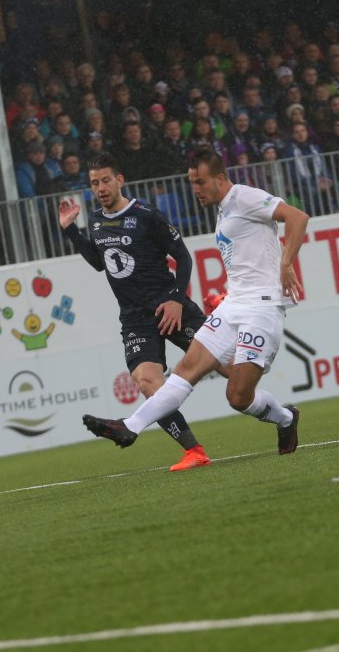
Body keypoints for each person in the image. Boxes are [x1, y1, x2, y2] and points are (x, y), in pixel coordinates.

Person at [82, 148, 309, 457]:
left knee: (238, 397)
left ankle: (286, 418)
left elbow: (297, 217)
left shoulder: (245, 197)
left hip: (262, 309)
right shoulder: (225, 209)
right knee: (186, 369)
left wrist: (286, 263)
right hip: (234, 305)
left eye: (200, 182)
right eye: (192, 183)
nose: (195, 189)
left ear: (219, 178)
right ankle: (130, 426)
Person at [57, 154, 211, 472]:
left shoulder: (146, 215)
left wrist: (176, 299)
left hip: (170, 307)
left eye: (105, 181)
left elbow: (183, 257)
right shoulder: (96, 221)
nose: (100, 188)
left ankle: (282, 416)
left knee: (230, 369)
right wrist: (71, 230)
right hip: (136, 319)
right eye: (94, 183)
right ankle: (194, 450)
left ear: (120, 180)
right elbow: (99, 262)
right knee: (146, 380)